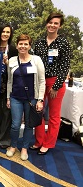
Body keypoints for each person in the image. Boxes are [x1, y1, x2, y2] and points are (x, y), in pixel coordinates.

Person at [32, 12, 71, 155]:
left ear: (60, 26)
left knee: (54, 115)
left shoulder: (63, 43)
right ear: (46, 23)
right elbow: (34, 62)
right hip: (40, 81)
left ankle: (48, 143)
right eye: (50, 22)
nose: (52, 25)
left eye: (56, 23)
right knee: (38, 112)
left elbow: (65, 65)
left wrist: (56, 86)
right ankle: (39, 141)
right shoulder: (40, 42)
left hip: (56, 82)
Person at [6, 34, 45, 161]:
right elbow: (9, 81)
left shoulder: (36, 60)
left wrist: (40, 100)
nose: (23, 46)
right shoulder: (11, 61)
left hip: (31, 99)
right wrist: (8, 98)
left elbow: (42, 81)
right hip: (15, 97)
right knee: (15, 125)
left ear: (29, 46)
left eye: (26, 44)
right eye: (20, 44)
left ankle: (24, 148)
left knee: (29, 125)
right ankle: (13, 146)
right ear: (17, 46)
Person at [0, 24, 18, 149]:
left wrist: (7, 63)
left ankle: (5, 138)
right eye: (3, 32)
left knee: (7, 112)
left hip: (9, 84)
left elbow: (17, 68)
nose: (5, 34)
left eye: (8, 32)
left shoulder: (13, 50)